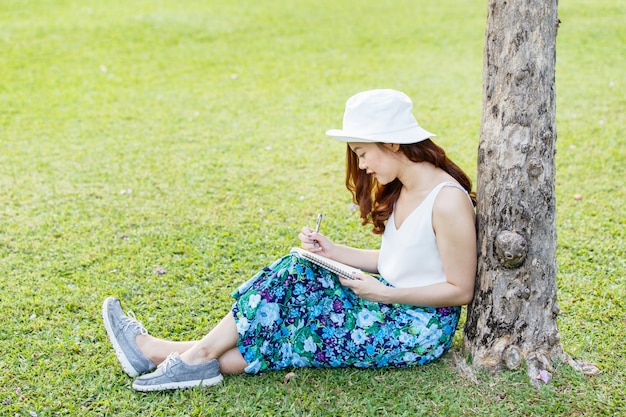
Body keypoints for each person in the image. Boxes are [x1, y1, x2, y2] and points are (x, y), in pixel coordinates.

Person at [102, 89, 477, 392]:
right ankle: (174, 357)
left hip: (417, 330)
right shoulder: (405, 187)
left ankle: (173, 354)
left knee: (296, 289)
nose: (362, 166)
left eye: (363, 153)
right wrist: (332, 252)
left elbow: (461, 289)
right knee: (296, 309)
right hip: (392, 307)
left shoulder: (446, 199)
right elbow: (401, 259)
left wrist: (385, 294)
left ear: (393, 144)